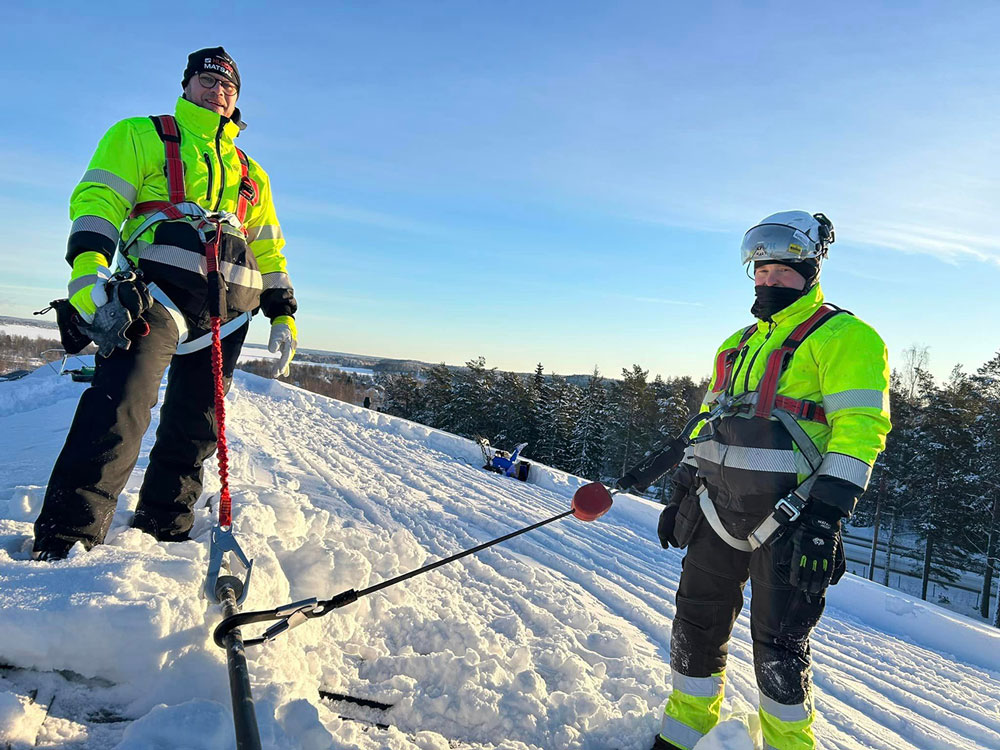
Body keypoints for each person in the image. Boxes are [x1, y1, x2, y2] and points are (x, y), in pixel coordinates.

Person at [618, 212, 891, 750]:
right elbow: (705, 425)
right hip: (715, 511)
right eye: (760, 272)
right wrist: (680, 493)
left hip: (791, 518)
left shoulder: (845, 338)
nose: (767, 282)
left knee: (779, 651)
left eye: (781, 272)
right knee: (694, 627)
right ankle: (683, 734)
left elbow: (861, 430)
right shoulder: (734, 346)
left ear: (811, 268)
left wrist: (825, 519)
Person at [33, 47, 297, 560]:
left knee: (198, 426)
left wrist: (282, 309)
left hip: (228, 311)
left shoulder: (252, 173)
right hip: (154, 295)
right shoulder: (140, 134)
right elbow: (100, 199)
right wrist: (87, 270)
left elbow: (268, 245)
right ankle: (66, 538)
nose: (217, 92)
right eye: (207, 81)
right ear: (186, 86)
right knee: (120, 409)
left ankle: (165, 527)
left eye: (228, 87)